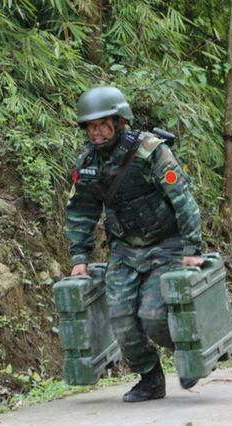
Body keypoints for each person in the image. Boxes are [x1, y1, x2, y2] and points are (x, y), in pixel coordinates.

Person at [66, 86, 204, 402]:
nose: (96, 132)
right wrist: (79, 257)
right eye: (90, 126)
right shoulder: (88, 162)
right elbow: (81, 210)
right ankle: (150, 378)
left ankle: (187, 351)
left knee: (153, 317)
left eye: (102, 125)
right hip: (125, 248)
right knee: (121, 319)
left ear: (119, 122)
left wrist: (191, 249)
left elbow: (182, 199)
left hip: (166, 243)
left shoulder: (150, 151)